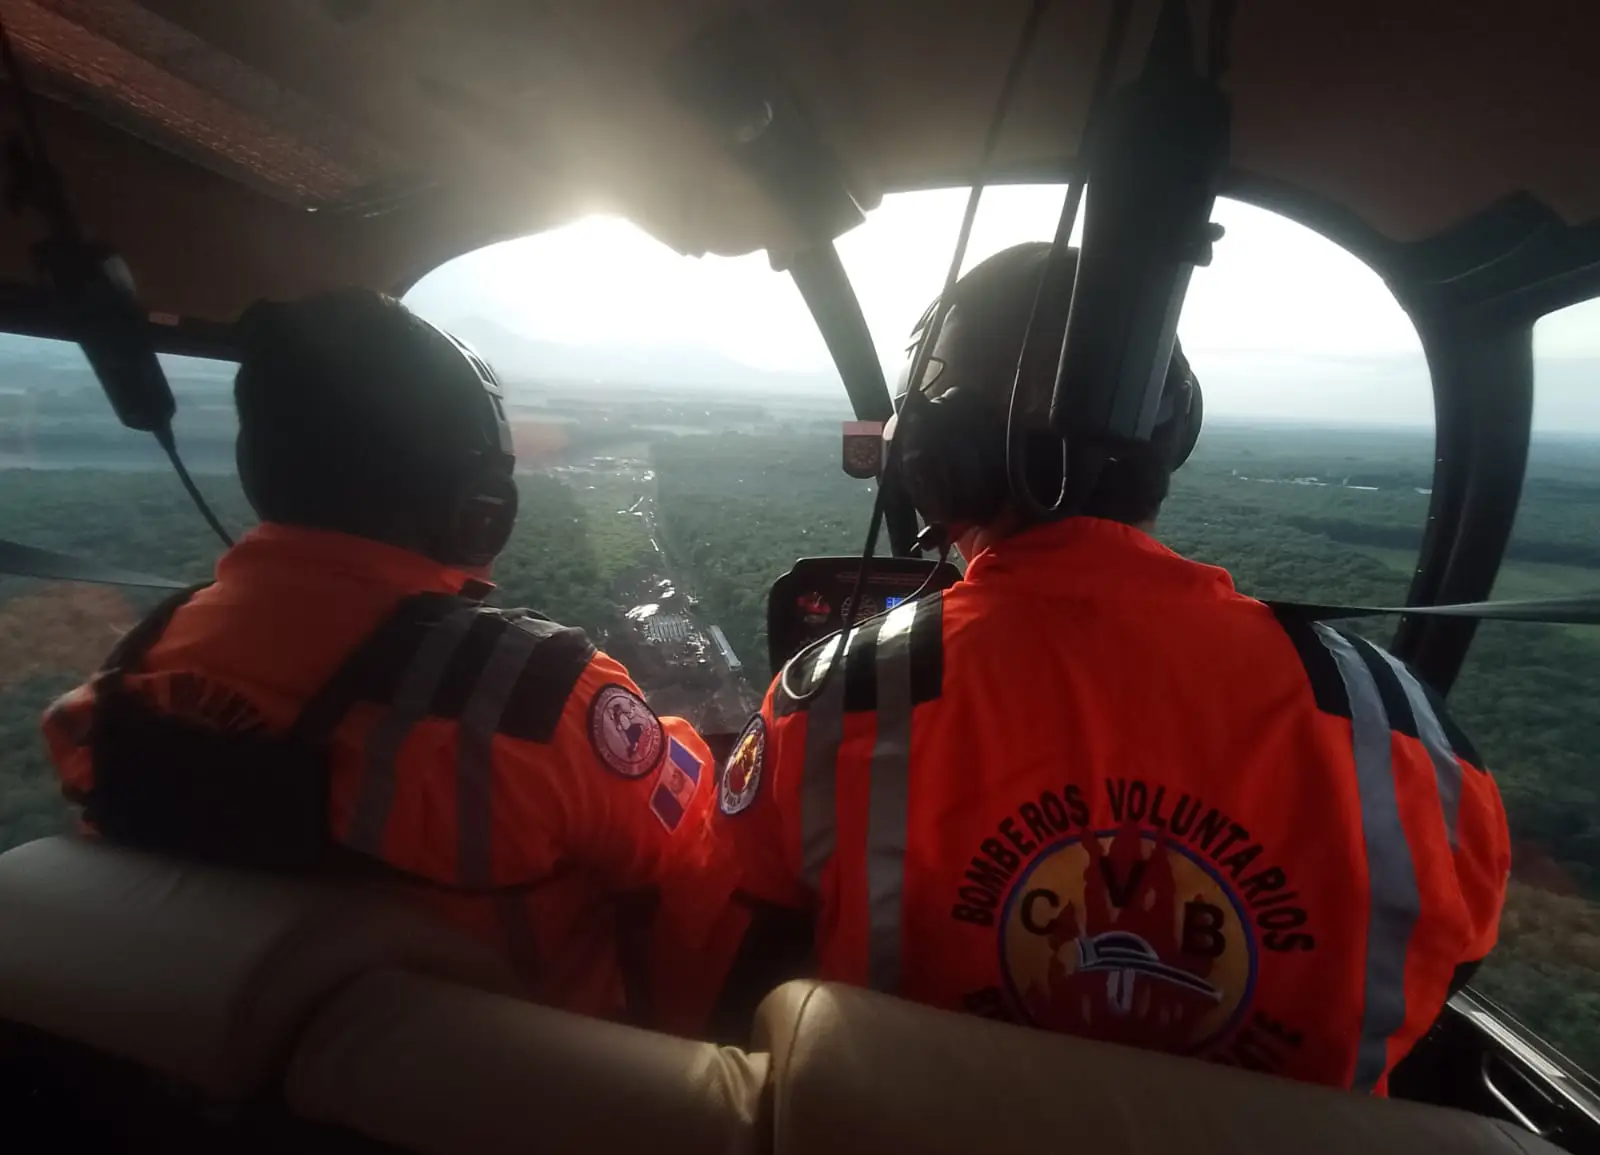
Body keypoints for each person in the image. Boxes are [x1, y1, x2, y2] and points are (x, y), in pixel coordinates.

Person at [707, 242, 1510, 1091]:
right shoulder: (1408, 730)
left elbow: (719, 985)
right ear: (1174, 438)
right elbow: (1447, 973)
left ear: (935, 460)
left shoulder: (843, 704)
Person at [40, 289, 724, 1032]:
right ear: (479, 504)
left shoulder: (126, 682)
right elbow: (696, 870)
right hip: (502, 1115)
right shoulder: (540, 705)